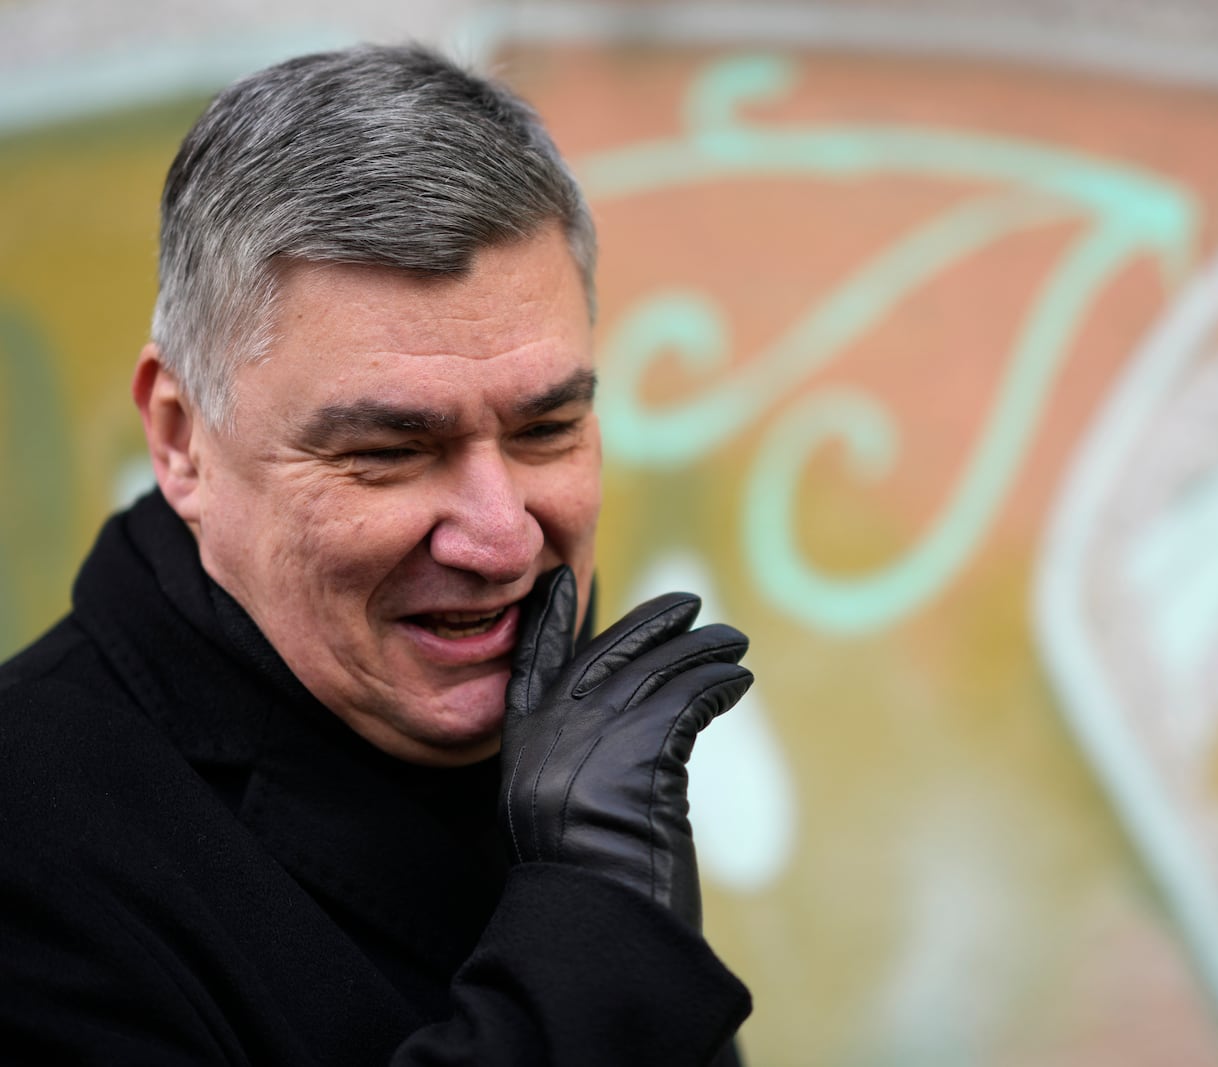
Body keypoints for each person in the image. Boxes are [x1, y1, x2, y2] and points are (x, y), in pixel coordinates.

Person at [0, 43, 755, 1065]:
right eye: (391, 451)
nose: (501, 538)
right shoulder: (32, 848)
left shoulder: (567, 769)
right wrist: (596, 921)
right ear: (181, 439)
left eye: (545, 430)